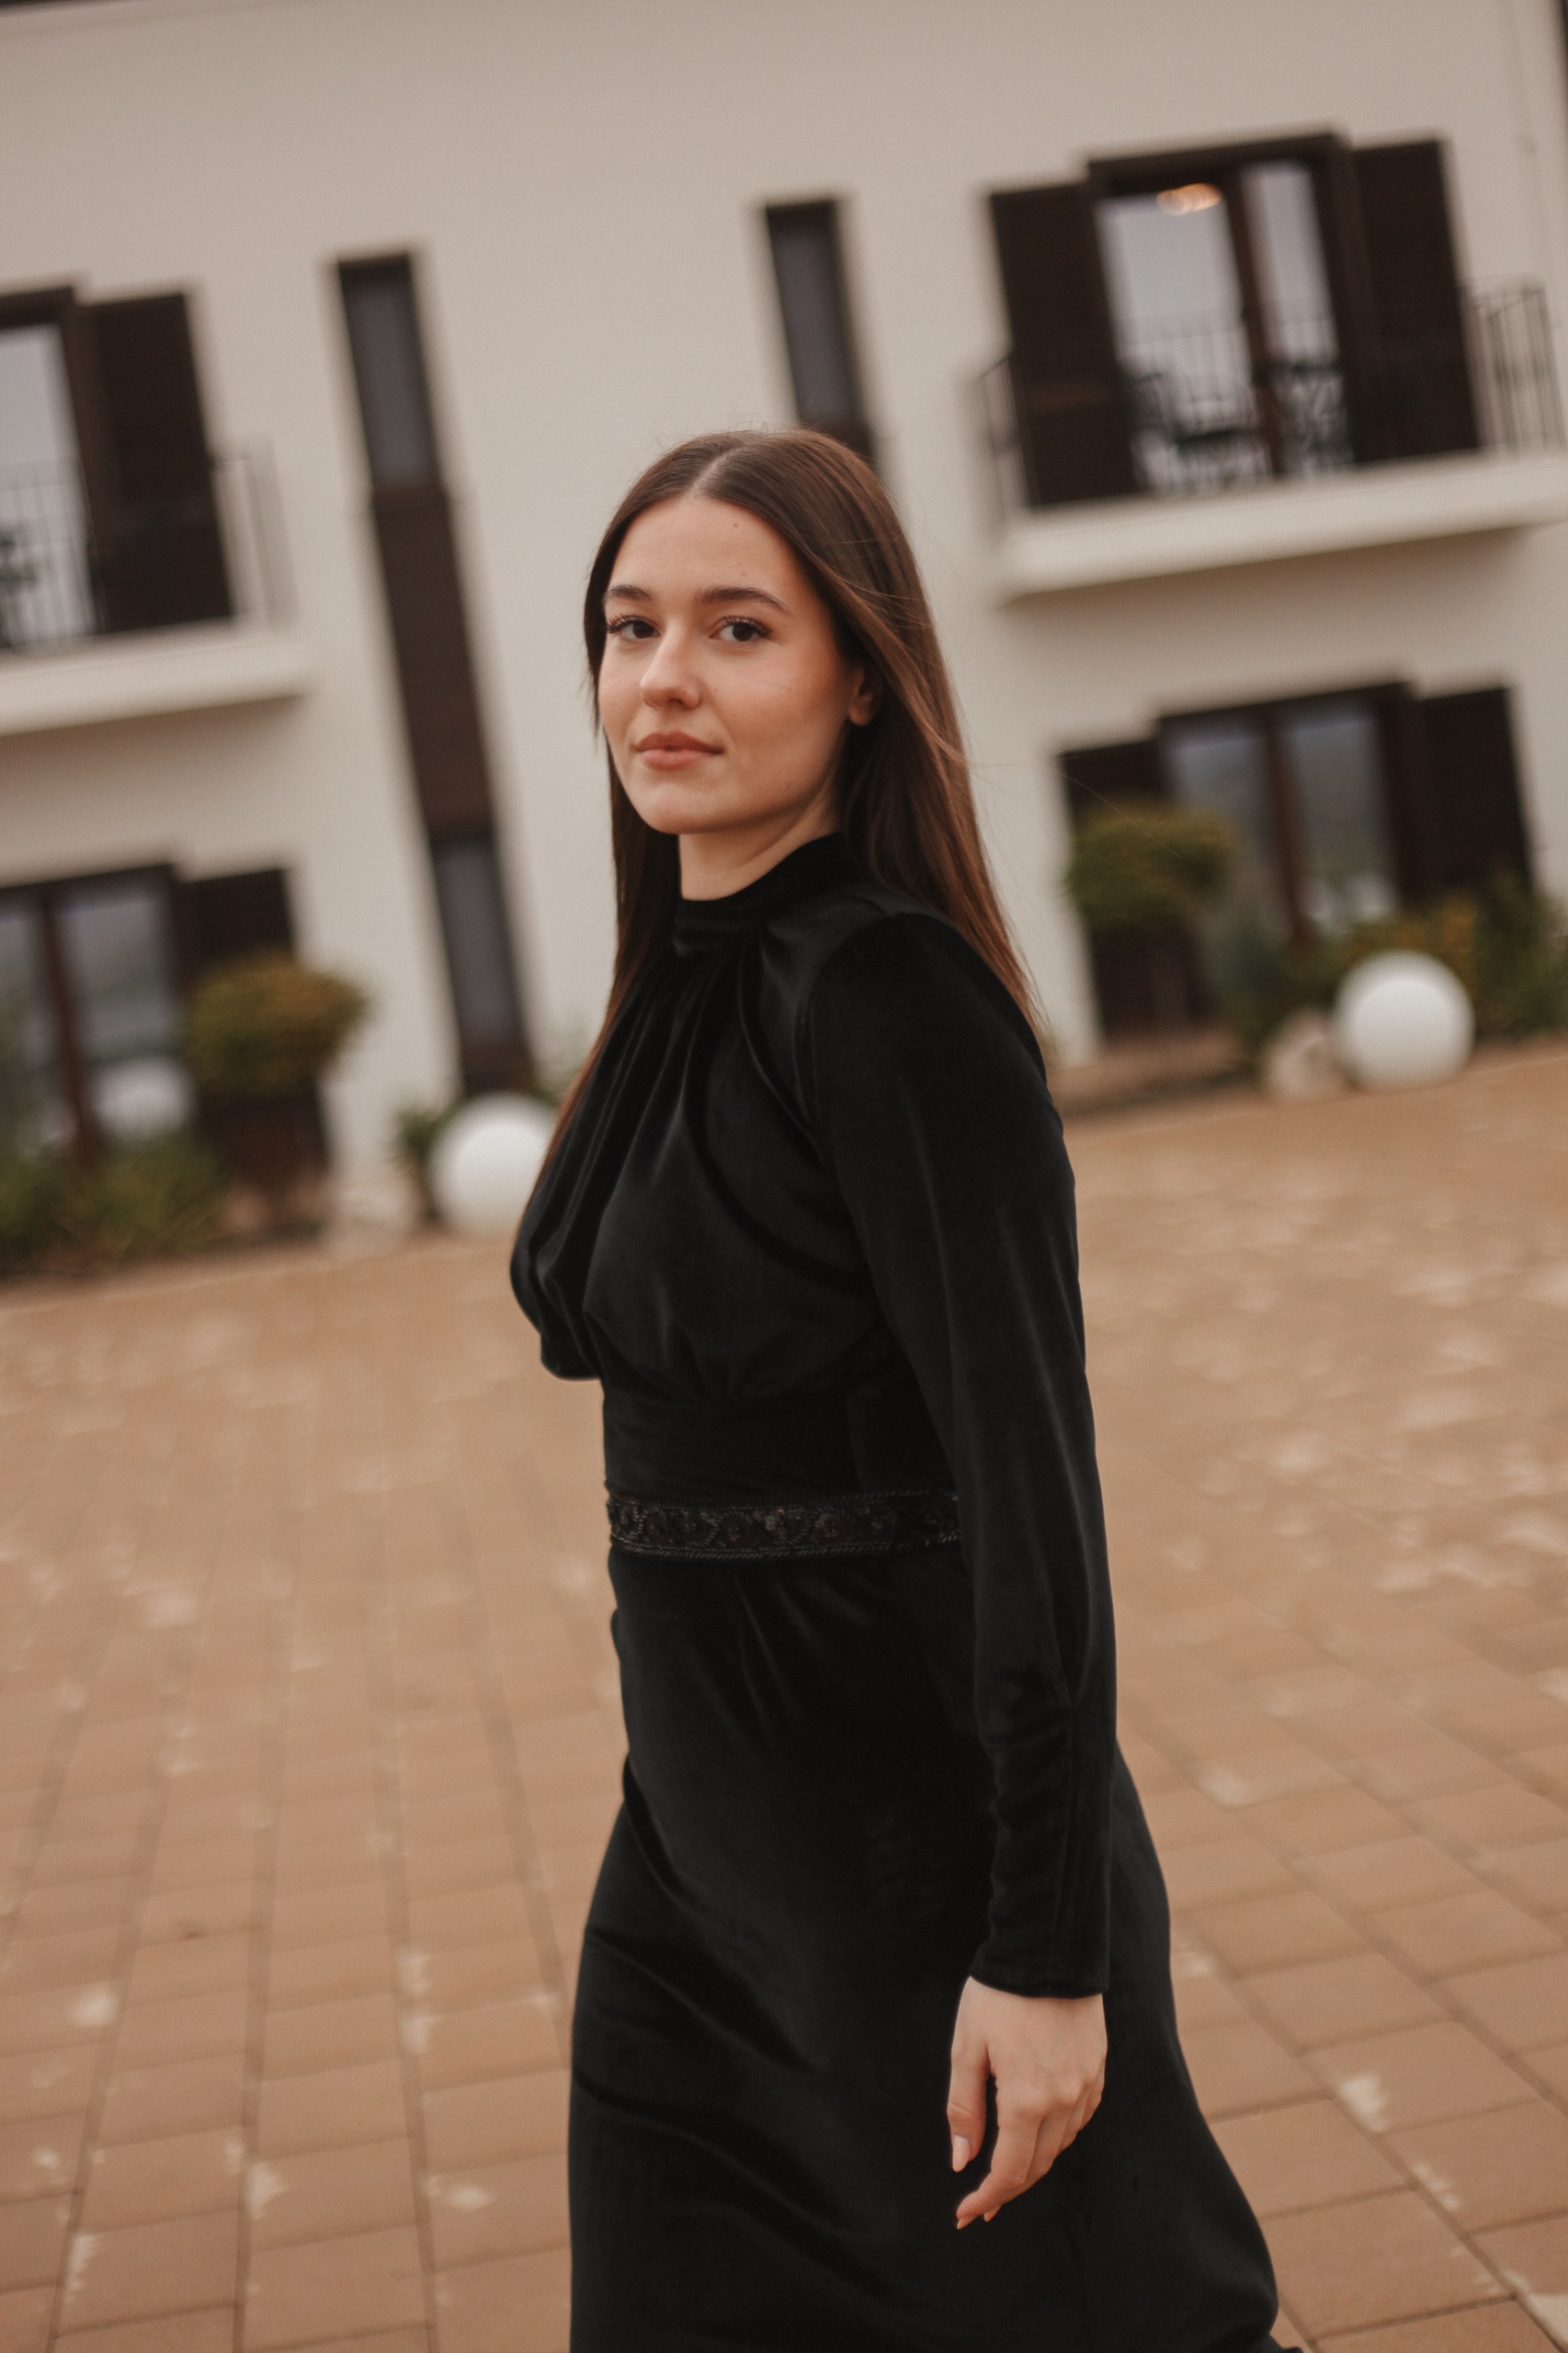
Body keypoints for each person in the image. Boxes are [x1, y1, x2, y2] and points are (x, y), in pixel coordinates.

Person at [512, 428, 1291, 2352]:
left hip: (917, 1874)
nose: (662, 677)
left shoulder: (888, 996)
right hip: (699, 1868)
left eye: (736, 627)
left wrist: (1045, 1950)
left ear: (860, 676)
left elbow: (1033, 1495)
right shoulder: (680, 978)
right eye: (628, 626)